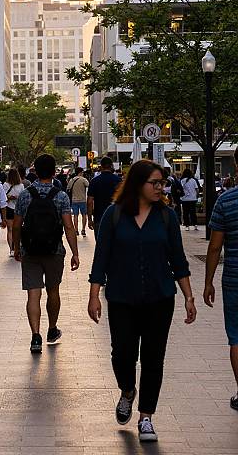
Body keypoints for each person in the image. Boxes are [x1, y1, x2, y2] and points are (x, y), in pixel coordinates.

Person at [88, 160, 196, 443]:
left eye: (162, 183)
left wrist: (188, 296)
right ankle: (127, 390)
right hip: (122, 298)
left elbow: (179, 260)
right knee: (121, 354)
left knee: (153, 358)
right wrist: (93, 296)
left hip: (159, 299)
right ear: (138, 184)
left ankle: (146, 416)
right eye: (155, 183)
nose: (161, 188)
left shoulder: (167, 217)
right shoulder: (114, 215)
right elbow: (101, 258)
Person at [13, 154, 79, 353]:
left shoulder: (25, 194)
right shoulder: (60, 196)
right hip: (54, 251)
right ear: (53, 172)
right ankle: (51, 329)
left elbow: (16, 225)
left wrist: (17, 248)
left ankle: (35, 337)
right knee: (53, 290)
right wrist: (75, 252)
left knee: (33, 294)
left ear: (35, 172)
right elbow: (68, 227)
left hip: (30, 251)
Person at [204, 147, 238, 411]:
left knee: (236, 338)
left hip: (233, 279)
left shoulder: (226, 201)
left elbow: (215, 247)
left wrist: (208, 282)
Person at [87, 157, 121, 238]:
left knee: (100, 245)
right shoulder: (118, 181)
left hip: (99, 218)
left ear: (101, 166)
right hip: (116, 218)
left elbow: (89, 201)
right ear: (111, 166)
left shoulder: (94, 181)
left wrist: (89, 219)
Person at [3, 168, 24, 257]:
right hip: (19, 210)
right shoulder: (21, 185)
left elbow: (3, 198)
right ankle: (17, 247)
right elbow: (23, 198)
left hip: (9, 208)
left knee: (10, 230)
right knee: (18, 229)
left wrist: (9, 197)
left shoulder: (5, 185)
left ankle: (11, 249)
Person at [67, 167, 90, 236]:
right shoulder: (83, 180)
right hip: (82, 200)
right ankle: (83, 229)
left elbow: (68, 188)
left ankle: (76, 230)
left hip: (74, 200)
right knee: (84, 215)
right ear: (80, 172)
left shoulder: (72, 180)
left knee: (75, 216)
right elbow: (88, 185)